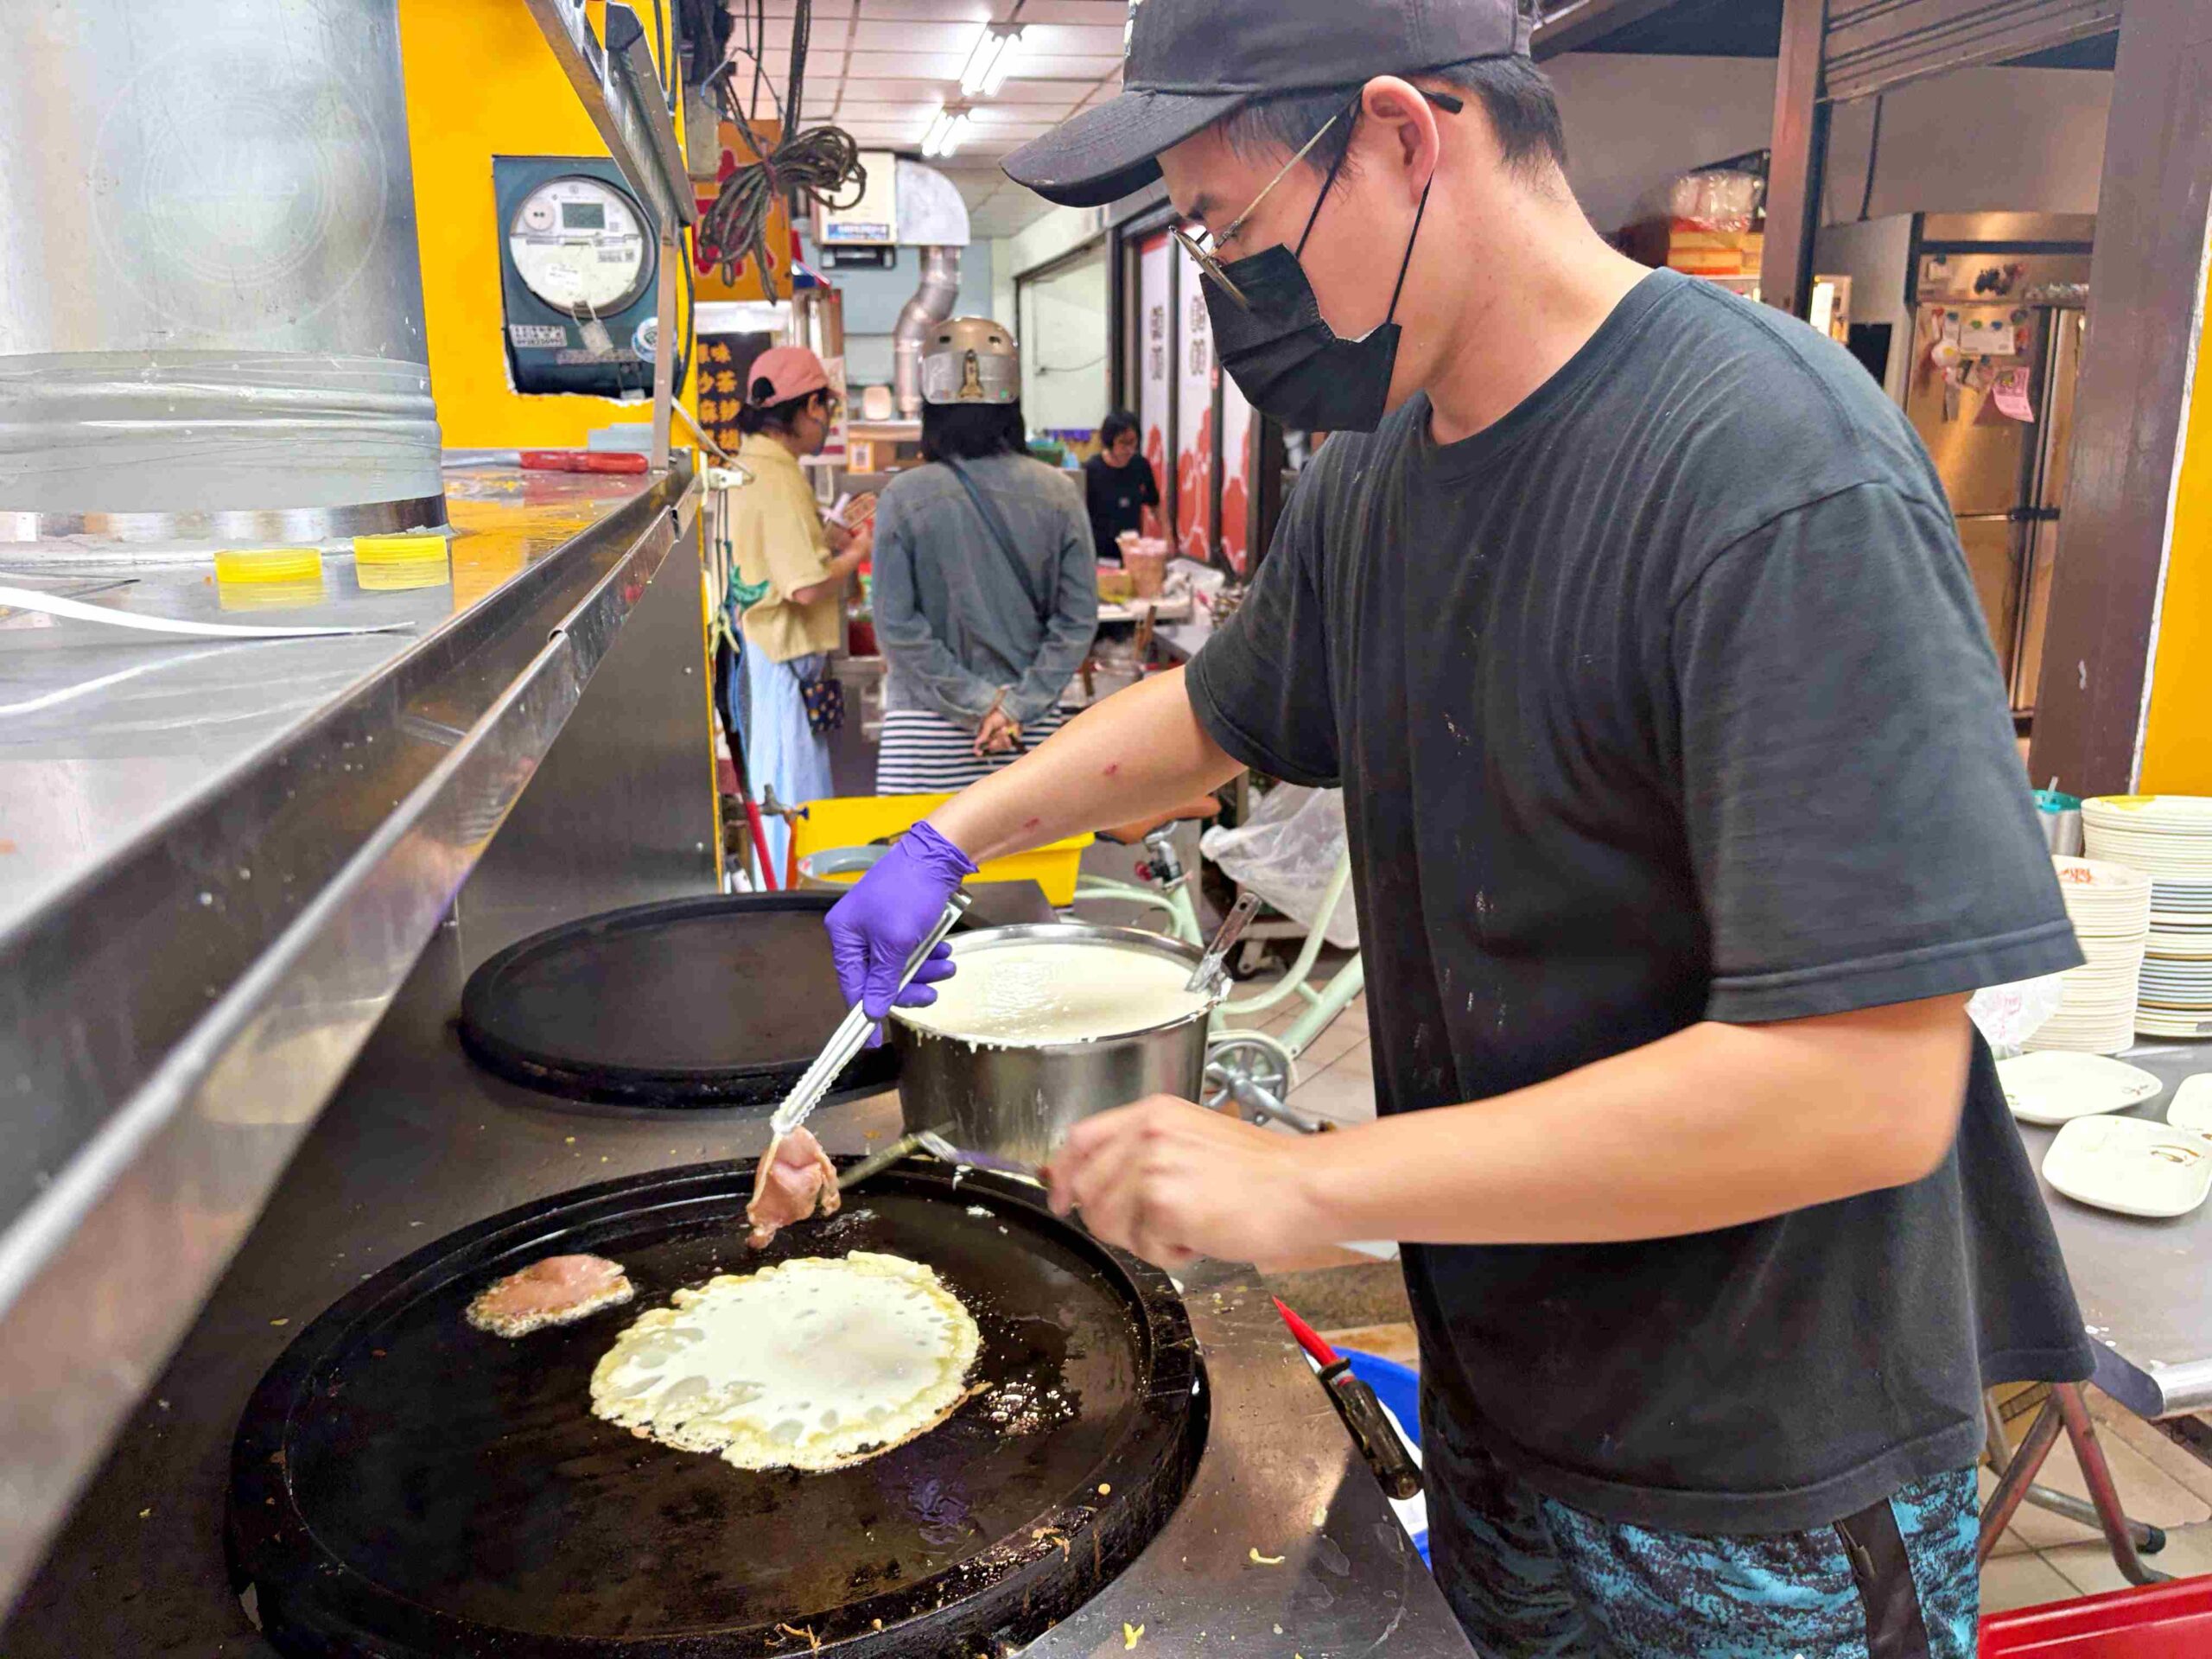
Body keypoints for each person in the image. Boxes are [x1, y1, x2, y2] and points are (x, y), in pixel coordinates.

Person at [823, 1, 2095, 1654]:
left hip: (1759, 1475)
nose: (1227, 293)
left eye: (1229, 229)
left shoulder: (1773, 476)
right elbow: (1214, 717)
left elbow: (1863, 1089)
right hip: (1509, 1405)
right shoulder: (1386, 472)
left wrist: (1318, 1184)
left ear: (1407, 138)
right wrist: (951, 840)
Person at [869, 317, 1098, 794]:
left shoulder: (903, 495)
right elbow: (1077, 621)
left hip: (926, 735)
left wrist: (978, 702)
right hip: (1028, 734)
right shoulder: (1058, 493)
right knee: (1034, 867)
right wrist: (1012, 707)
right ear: (1011, 402)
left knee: (925, 867)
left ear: (930, 405)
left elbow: (895, 627)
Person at [726, 346, 867, 871]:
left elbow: (783, 558)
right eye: (826, 409)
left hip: (766, 657)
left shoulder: (750, 464)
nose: (827, 422)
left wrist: (831, 535)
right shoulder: (777, 476)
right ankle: (799, 914)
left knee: (784, 801)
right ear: (811, 406)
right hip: (784, 666)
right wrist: (857, 552)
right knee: (797, 813)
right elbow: (804, 588)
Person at [1081, 409, 1160, 563]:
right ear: (1110, 441)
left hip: (1132, 552)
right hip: (1099, 553)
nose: (1129, 448)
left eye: (1133, 442)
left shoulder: (1140, 465)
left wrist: (1168, 538)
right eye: (1123, 443)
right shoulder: (1092, 469)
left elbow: (1155, 503)